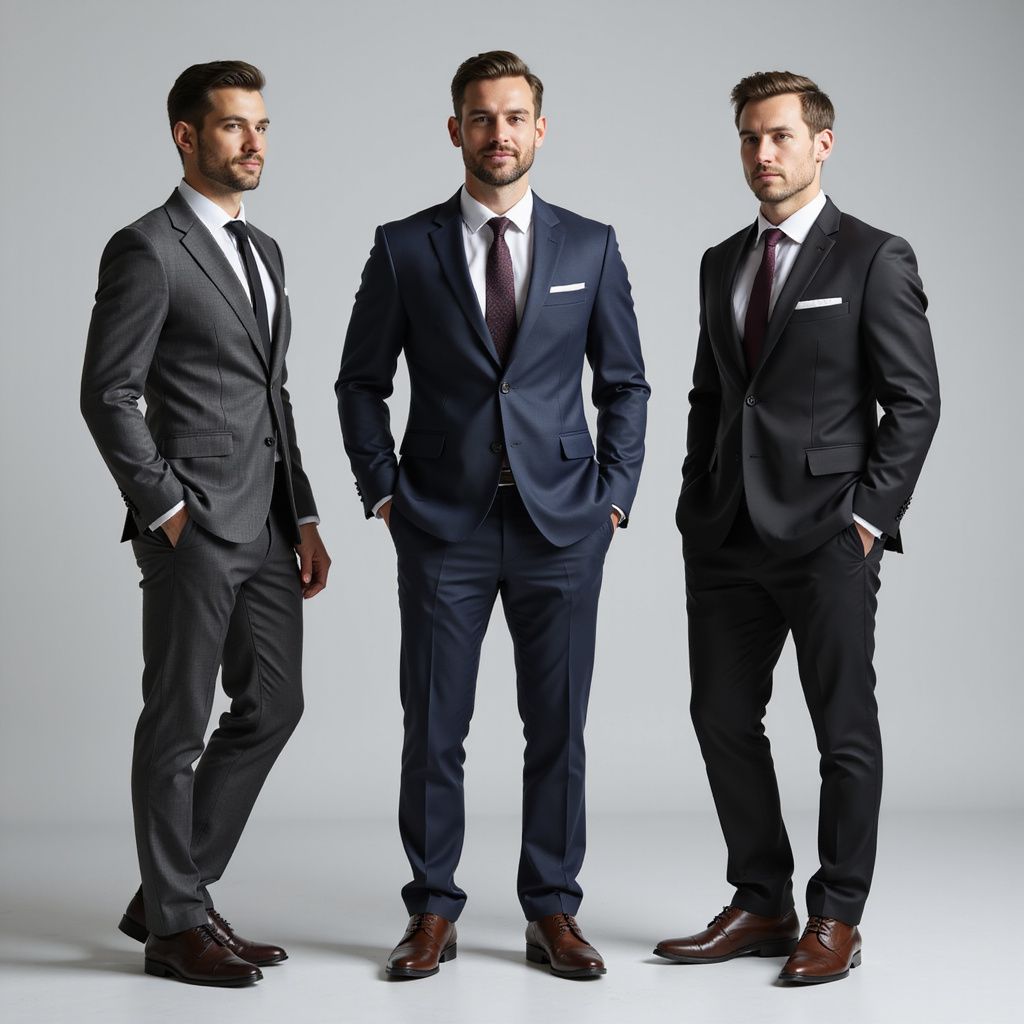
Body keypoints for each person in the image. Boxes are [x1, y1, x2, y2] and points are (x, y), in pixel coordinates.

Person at [336, 50, 648, 981]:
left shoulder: (590, 245)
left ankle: (552, 909)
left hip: (565, 525)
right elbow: (360, 382)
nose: (498, 133)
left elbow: (624, 382)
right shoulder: (405, 246)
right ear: (455, 129)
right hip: (442, 525)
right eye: (481, 117)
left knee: (557, 726)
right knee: (433, 727)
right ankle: (432, 909)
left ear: (540, 129)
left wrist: (616, 498)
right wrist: (383, 489)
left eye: (515, 117)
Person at [657, 71, 939, 984]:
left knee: (842, 729)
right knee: (721, 717)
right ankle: (763, 900)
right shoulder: (719, 262)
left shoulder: (873, 256)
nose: (762, 153)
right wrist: (694, 498)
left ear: (822, 142)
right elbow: (710, 395)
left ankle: (838, 916)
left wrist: (866, 520)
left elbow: (914, 402)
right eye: (748, 137)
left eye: (778, 136)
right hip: (727, 535)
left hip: (826, 533)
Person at [81, 60, 330, 987]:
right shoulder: (147, 247)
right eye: (233, 126)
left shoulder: (262, 250)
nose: (254, 142)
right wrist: (168, 508)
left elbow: (273, 392)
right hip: (192, 524)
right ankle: (176, 929)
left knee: (275, 704)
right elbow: (106, 392)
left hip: (265, 521)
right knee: (178, 722)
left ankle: (170, 890)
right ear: (187, 137)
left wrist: (301, 513)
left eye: (261, 125)